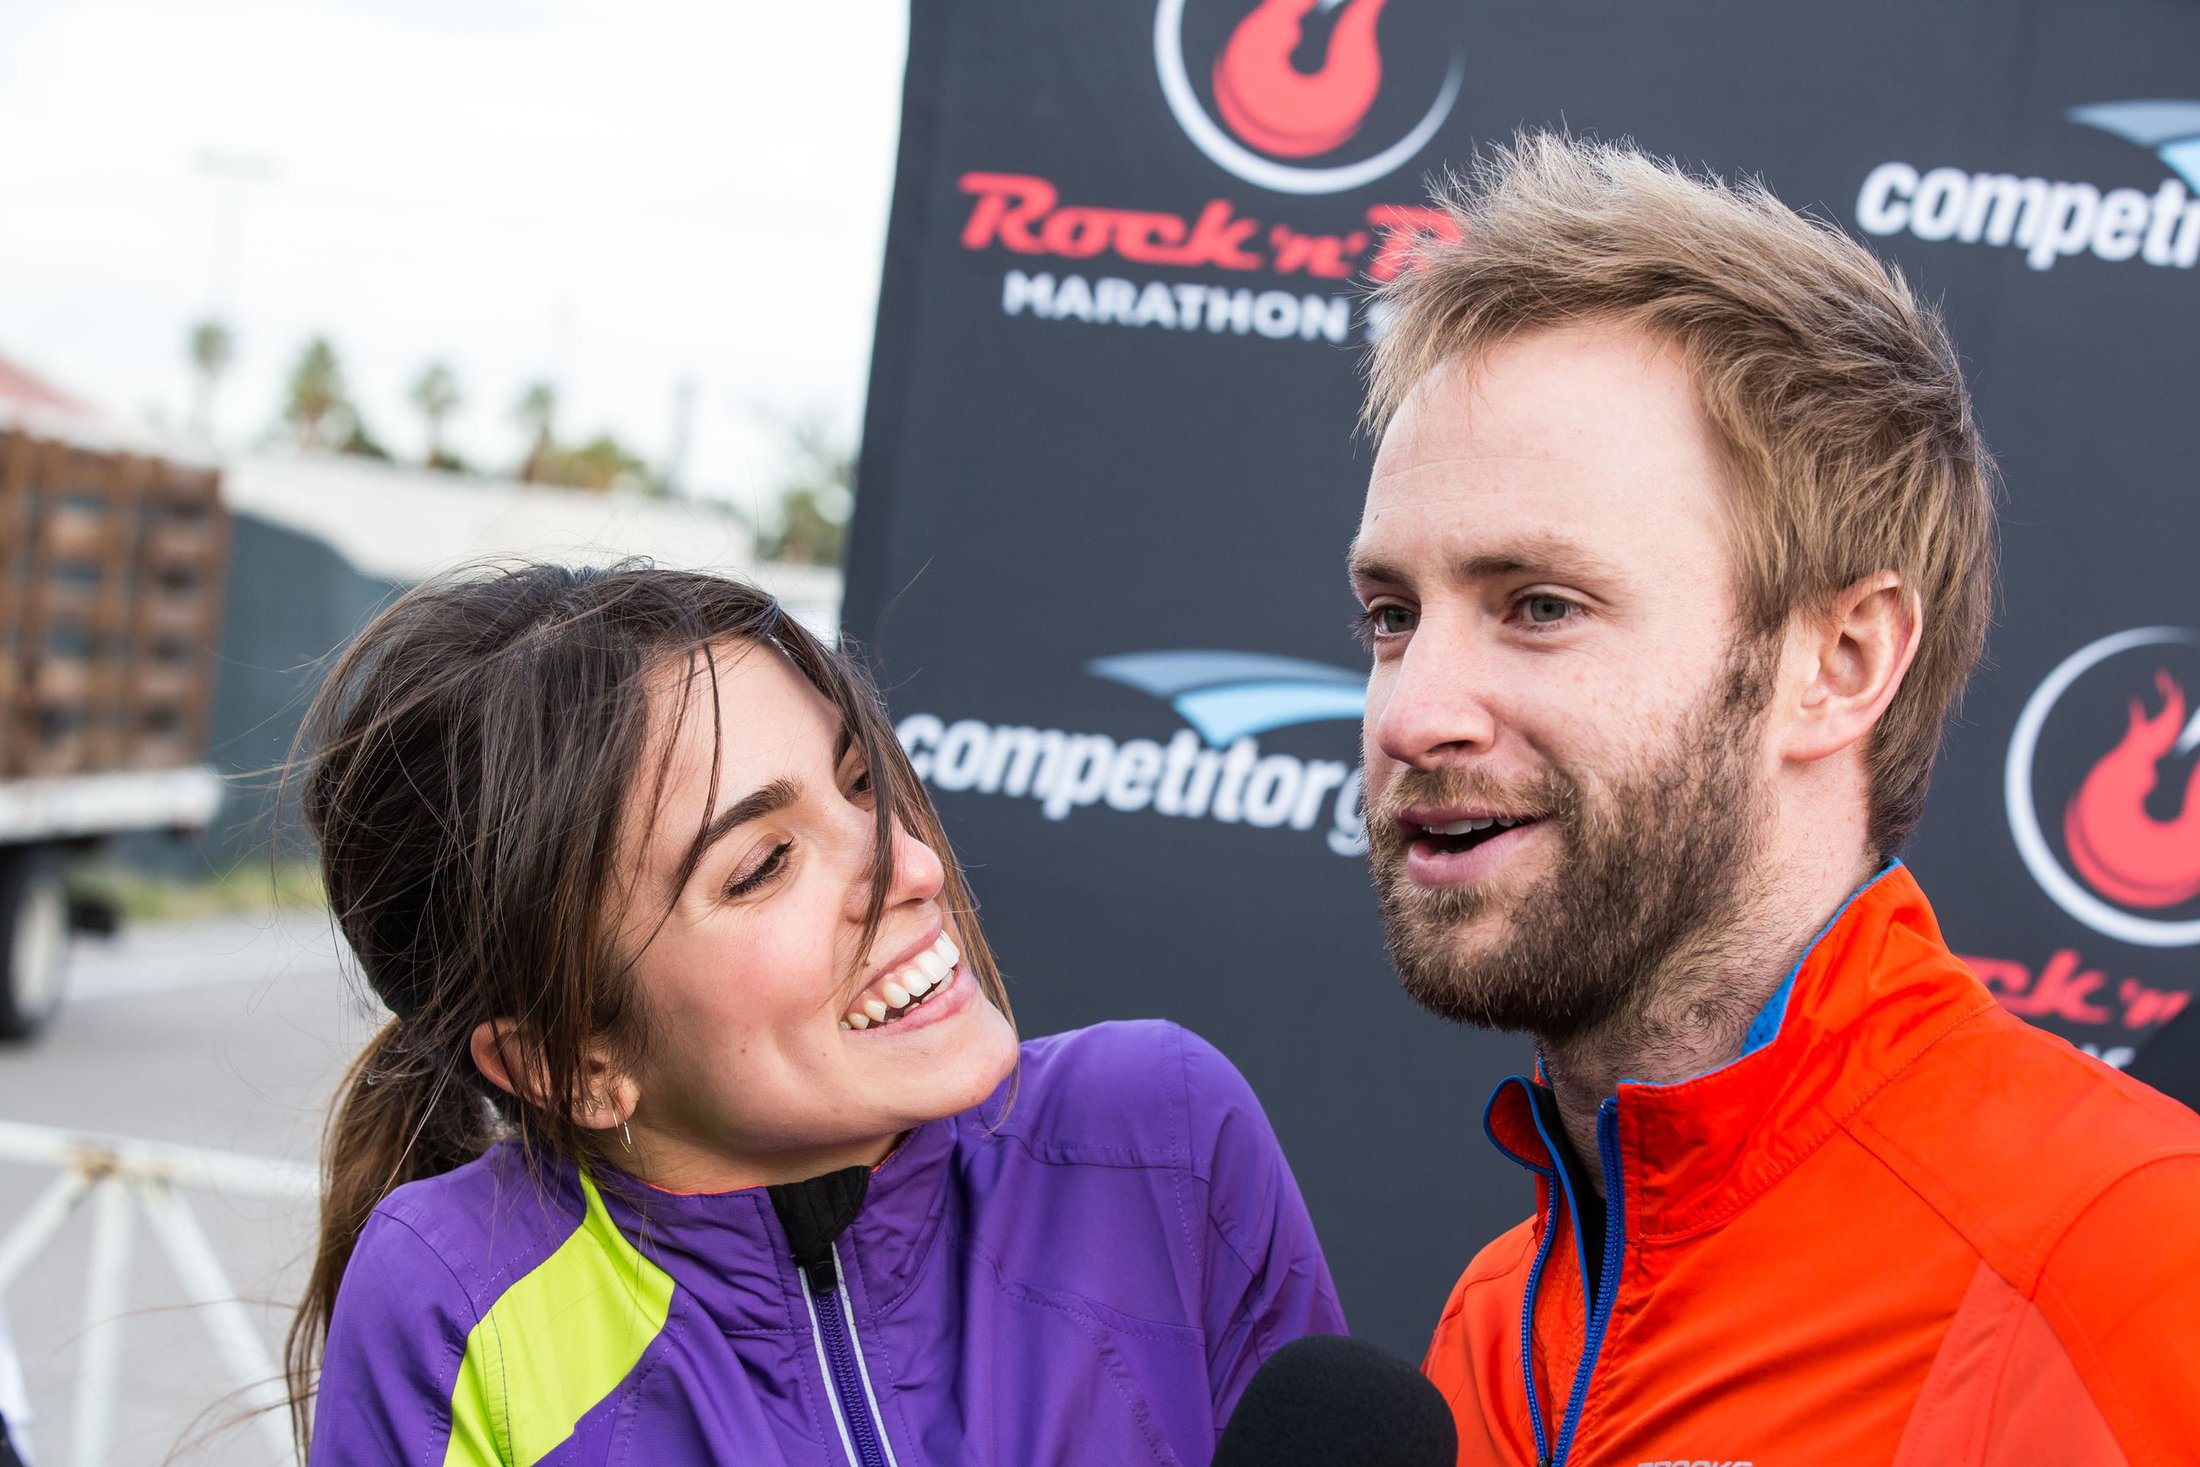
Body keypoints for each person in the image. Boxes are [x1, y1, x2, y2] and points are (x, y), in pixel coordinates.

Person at [1348, 134, 2200, 1465]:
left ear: (1839, 662)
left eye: (1542, 604)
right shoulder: (1493, 1327)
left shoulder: (2131, 1259)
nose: (1410, 710)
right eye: (1392, 615)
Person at [285, 564, 1343, 1465]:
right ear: (568, 1062)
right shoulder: (451, 1298)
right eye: (762, 866)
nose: (912, 868)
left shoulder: (1159, 1132)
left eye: (858, 781)